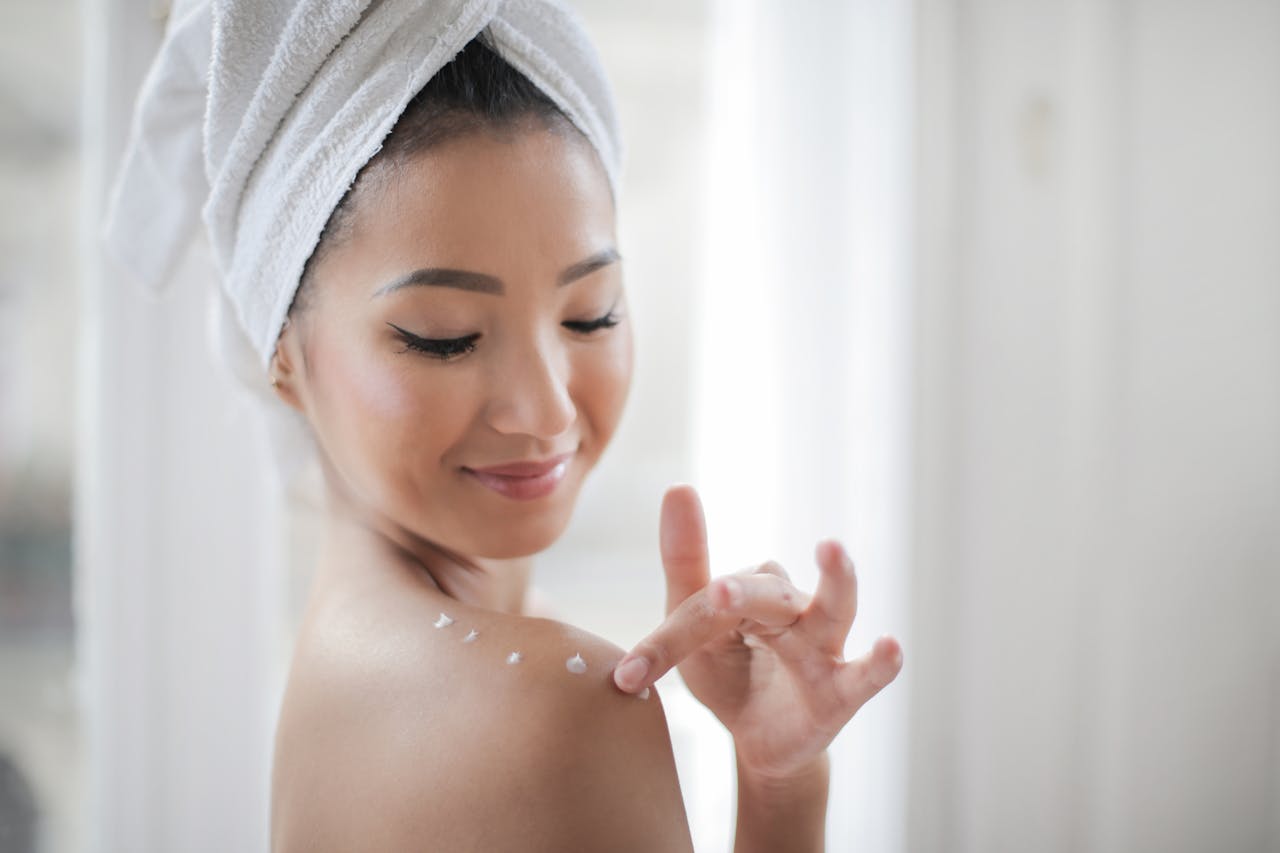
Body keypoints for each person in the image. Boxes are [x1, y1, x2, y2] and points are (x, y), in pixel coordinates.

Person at [102, 3, 903, 850]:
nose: (549, 409)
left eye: (591, 315)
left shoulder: (348, 660)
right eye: (444, 336)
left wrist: (780, 780)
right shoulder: (548, 711)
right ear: (284, 356)